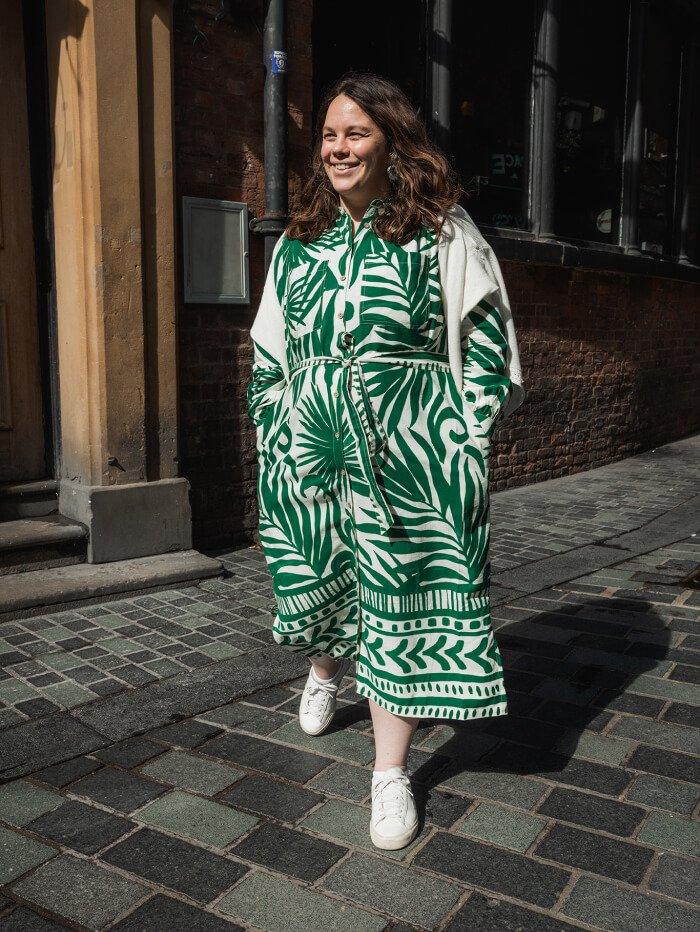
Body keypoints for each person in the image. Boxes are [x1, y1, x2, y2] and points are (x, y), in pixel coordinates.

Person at [247, 72, 525, 851]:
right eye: (330, 135)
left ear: (392, 142)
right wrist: (274, 422)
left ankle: (389, 774)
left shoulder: (440, 230)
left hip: (413, 459)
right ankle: (328, 670)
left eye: (356, 133)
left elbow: (488, 342)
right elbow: (270, 348)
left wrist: (462, 435)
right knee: (325, 581)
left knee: (400, 601)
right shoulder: (300, 244)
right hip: (314, 454)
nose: (338, 147)